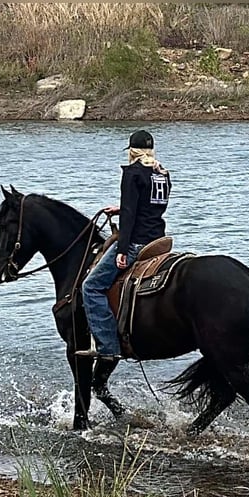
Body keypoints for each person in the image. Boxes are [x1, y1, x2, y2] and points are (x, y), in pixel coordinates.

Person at [77, 129, 172, 360]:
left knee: (90, 287)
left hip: (137, 242)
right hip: (158, 239)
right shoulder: (162, 174)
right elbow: (152, 207)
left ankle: (108, 347)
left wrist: (122, 250)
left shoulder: (133, 173)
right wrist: (121, 207)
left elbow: (130, 216)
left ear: (132, 151)